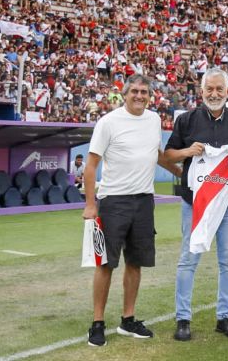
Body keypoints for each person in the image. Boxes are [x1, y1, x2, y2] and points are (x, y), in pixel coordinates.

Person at [82, 75, 182, 347]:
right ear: (124, 94)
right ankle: (98, 322)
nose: (139, 96)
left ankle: (128, 320)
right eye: (134, 91)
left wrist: (181, 173)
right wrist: (91, 204)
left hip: (144, 203)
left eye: (144, 92)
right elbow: (90, 166)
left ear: (150, 96)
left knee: (136, 262)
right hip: (113, 202)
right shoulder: (108, 122)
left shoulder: (153, 120)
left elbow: (157, 153)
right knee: (106, 263)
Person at [164, 68, 228, 341]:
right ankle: (183, 318)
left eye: (220, 89)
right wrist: (187, 152)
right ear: (201, 91)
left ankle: (224, 317)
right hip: (195, 202)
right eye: (209, 89)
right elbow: (168, 155)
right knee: (188, 259)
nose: (214, 94)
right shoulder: (187, 120)